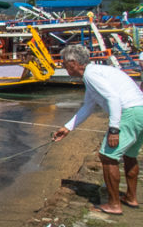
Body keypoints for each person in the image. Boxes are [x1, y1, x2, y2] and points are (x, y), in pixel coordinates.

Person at [52, 44, 143, 215]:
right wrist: (67, 128)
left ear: (73, 62)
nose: (62, 65)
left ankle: (114, 204)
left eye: (64, 62)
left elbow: (113, 98)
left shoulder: (91, 75)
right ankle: (131, 197)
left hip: (128, 113)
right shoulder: (94, 73)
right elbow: (88, 106)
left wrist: (114, 128)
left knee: (107, 157)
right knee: (129, 155)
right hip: (140, 110)